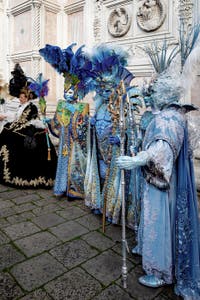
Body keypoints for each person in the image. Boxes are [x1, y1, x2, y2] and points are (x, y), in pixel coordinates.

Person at [116, 71, 200, 299]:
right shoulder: (177, 115)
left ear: (161, 93)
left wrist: (135, 160)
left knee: (160, 222)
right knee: (168, 221)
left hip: (163, 185)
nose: (149, 97)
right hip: (175, 181)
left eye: (151, 92)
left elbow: (161, 151)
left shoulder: (165, 119)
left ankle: (160, 272)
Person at [84, 44, 141, 229]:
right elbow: (95, 127)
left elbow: (131, 131)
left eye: (109, 88)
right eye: (102, 89)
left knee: (114, 181)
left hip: (115, 153)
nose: (105, 92)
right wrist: (91, 126)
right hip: (101, 151)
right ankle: (100, 204)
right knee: (100, 175)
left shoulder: (122, 108)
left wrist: (121, 139)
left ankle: (112, 210)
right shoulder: (99, 107)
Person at [39, 43, 92, 199]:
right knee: (63, 162)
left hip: (77, 144)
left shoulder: (83, 107)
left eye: (71, 91)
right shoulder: (61, 104)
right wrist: (47, 121)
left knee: (77, 165)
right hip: (64, 142)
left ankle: (75, 189)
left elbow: (85, 126)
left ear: (77, 91)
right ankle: (62, 187)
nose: (68, 94)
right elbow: (56, 121)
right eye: (65, 91)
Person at [0, 65, 57, 188]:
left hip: (30, 128)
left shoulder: (31, 107)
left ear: (28, 97)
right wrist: (5, 117)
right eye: (20, 97)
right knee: (6, 131)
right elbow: (16, 117)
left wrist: (13, 125)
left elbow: (25, 120)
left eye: (22, 97)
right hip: (22, 126)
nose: (20, 99)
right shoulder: (21, 106)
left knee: (11, 135)